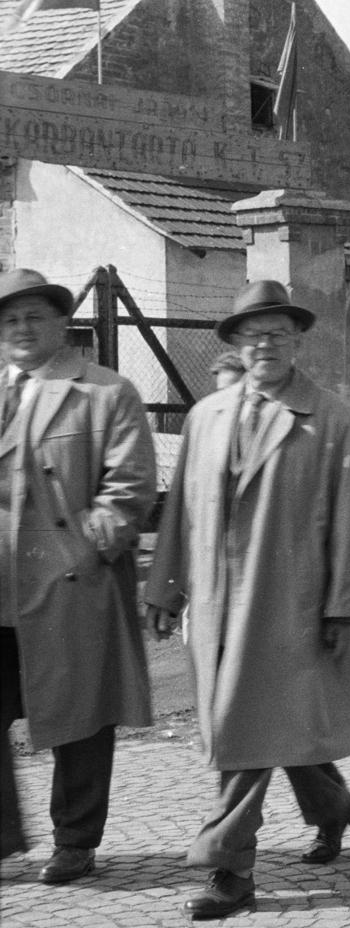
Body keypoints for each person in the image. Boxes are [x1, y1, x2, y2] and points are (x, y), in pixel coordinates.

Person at [146, 279, 350, 920]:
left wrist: (342, 604)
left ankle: (227, 867)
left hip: (291, 609)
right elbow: (180, 515)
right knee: (263, 727)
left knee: (243, 737)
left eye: (277, 332)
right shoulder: (205, 417)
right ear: (236, 345)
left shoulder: (331, 419)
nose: (265, 343)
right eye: (253, 334)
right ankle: (333, 807)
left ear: (298, 340)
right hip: (216, 608)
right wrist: (165, 589)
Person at [0, 269, 157, 877]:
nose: (22, 328)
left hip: (67, 581)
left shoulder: (103, 392)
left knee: (79, 716)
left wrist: (91, 545)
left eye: (35, 316)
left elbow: (130, 490)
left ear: (62, 323)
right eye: (10, 319)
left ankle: (75, 839)